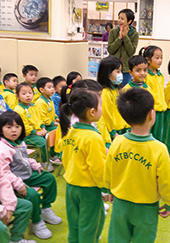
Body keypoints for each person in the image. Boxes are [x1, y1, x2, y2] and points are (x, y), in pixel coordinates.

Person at [105, 88, 170, 243]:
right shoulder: (159, 149)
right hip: (146, 208)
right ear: (152, 115)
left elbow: (109, 170)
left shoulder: (117, 142)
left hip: (120, 204)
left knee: (117, 238)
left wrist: (109, 189)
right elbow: (167, 182)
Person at [0, 111, 61, 240]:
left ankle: (46, 208)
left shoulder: (19, 142)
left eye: (17, 126)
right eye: (9, 127)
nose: (14, 130)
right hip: (14, 181)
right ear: (0, 129)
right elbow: (4, 173)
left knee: (49, 178)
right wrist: (18, 184)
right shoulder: (2, 148)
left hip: (27, 174)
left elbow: (25, 158)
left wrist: (35, 165)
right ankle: (36, 222)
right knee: (33, 195)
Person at [58, 88, 109, 243]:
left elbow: (62, 153)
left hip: (71, 185)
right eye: (100, 105)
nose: (102, 109)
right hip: (89, 189)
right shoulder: (93, 137)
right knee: (90, 224)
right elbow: (98, 167)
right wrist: (105, 188)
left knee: (74, 222)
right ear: (92, 112)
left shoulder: (70, 130)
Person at [13, 83, 49, 171]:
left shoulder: (33, 106)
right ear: (17, 96)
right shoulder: (19, 110)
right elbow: (24, 126)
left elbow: (39, 119)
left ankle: (52, 156)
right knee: (42, 142)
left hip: (37, 131)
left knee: (51, 135)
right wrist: (36, 132)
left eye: (30, 92)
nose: (28, 95)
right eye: (24, 93)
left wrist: (43, 127)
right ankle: (44, 162)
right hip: (26, 135)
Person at [97, 56, 128, 139]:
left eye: (120, 71)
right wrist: (113, 133)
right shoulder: (105, 93)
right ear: (108, 74)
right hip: (113, 132)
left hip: (123, 128)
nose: (120, 74)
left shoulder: (119, 89)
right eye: (117, 71)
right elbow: (106, 115)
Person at [142, 46, 167, 143]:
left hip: (160, 110)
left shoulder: (161, 75)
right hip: (150, 111)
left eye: (161, 57)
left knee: (158, 136)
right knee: (148, 135)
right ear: (148, 60)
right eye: (157, 58)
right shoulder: (145, 75)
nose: (160, 60)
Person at [108, 8, 139, 86]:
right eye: (119, 18)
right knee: (111, 89)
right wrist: (119, 38)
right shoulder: (113, 32)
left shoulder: (135, 34)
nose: (119, 20)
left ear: (129, 21)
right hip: (113, 66)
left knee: (124, 90)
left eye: (122, 19)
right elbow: (110, 50)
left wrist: (125, 37)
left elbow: (131, 51)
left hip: (126, 69)